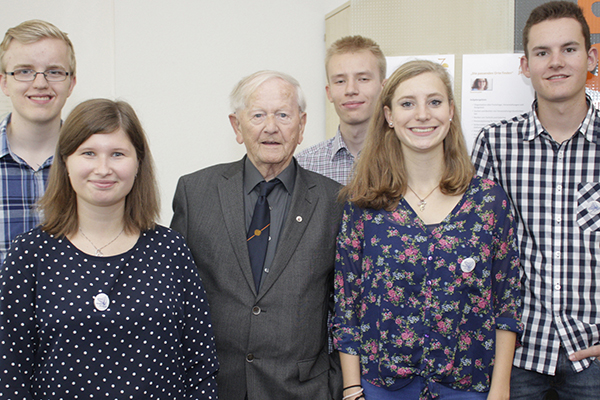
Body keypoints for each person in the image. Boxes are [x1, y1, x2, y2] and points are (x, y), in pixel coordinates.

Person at [0, 99, 218, 399]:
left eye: (117, 154)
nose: (103, 169)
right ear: (65, 162)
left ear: (138, 162)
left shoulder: (170, 250)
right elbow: (10, 373)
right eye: (88, 153)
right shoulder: (30, 253)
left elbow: (201, 364)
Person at [334, 60, 522, 400]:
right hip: (383, 387)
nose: (422, 114)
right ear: (389, 116)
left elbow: (506, 300)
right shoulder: (364, 204)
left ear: (450, 111)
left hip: (469, 387)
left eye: (434, 102)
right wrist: (351, 389)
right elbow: (347, 303)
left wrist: (500, 388)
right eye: (408, 103)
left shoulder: (488, 201)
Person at [171, 70, 344, 400]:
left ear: (302, 125)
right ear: (237, 126)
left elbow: (349, 308)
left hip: (302, 390)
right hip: (215, 387)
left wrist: (334, 386)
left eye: (283, 114)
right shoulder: (195, 193)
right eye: (258, 115)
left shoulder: (334, 201)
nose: (271, 127)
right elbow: (177, 300)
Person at [471, 2, 600, 399]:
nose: (556, 63)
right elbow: (474, 245)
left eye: (569, 49)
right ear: (525, 66)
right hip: (519, 355)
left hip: (593, 358)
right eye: (542, 53)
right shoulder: (494, 144)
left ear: (591, 57)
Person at [0, 19, 77, 263]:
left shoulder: (95, 166)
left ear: (71, 82)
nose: (40, 83)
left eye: (54, 71)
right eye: (24, 71)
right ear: (4, 82)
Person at [296, 35, 385, 185]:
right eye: (340, 81)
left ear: (383, 88)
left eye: (363, 79)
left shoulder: (408, 159)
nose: (351, 90)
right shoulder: (304, 166)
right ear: (329, 92)